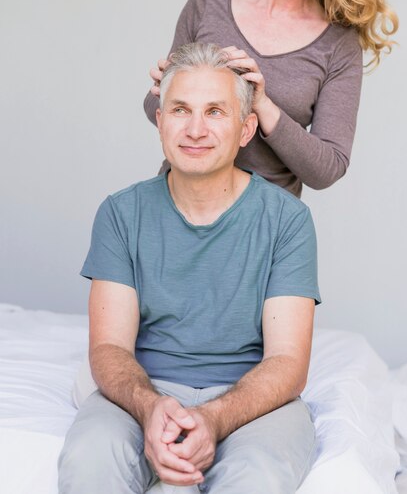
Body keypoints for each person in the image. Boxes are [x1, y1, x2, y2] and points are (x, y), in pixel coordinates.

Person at [58, 43, 320, 494]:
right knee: (87, 462)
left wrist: (212, 418)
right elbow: (109, 348)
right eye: (180, 109)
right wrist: (151, 407)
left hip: (252, 398)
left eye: (215, 111)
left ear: (245, 129)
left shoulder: (287, 220)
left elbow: (287, 361)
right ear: (160, 122)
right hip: (141, 390)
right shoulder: (122, 213)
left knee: (258, 478)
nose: (195, 129)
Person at [144, 0, 397, 198]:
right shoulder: (208, 2)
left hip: (266, 227)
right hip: (178, 206)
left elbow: (327, 169)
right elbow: (158, 114)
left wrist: (262, 104)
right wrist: (165, 90)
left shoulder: (338, 45)